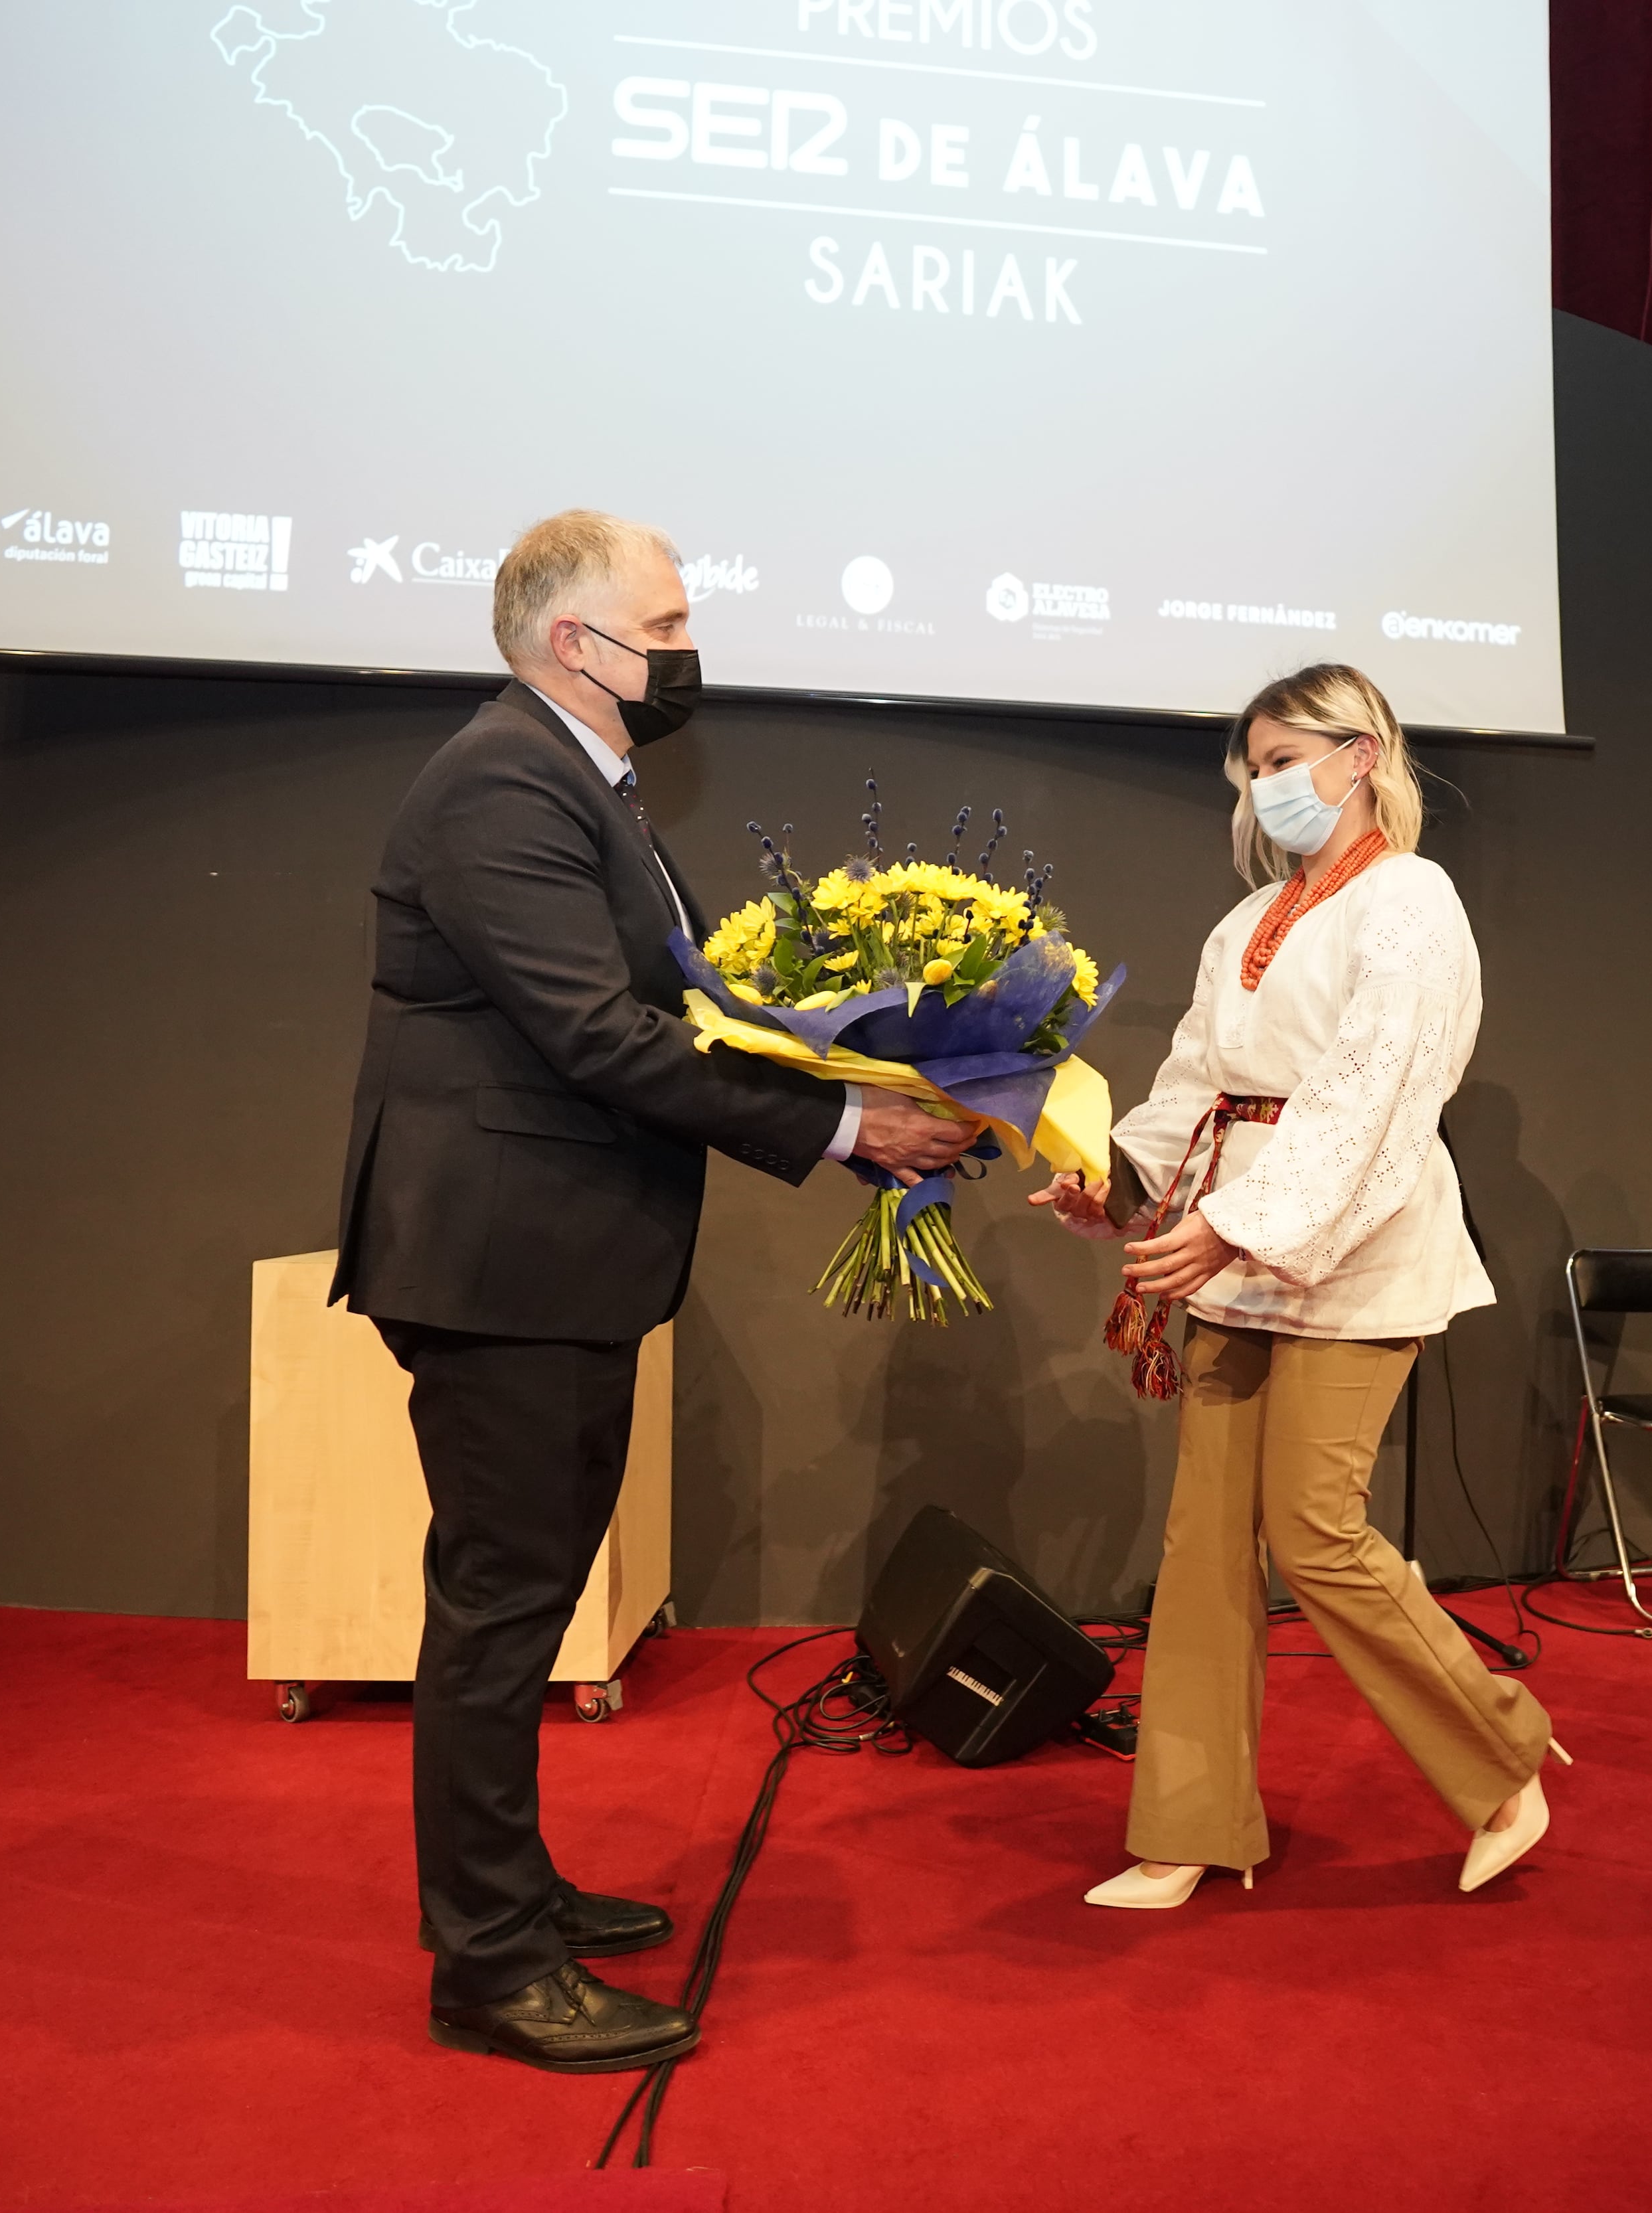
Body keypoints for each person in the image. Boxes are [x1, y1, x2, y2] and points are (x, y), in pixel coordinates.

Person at [331, 509, 976, 2069]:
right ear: (577, 642)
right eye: (669, 621)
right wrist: (842, 1125)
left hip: (553, 1256)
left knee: (526, 1595)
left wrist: (835, 1040)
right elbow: (595, 1038)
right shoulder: (505, 777)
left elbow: (671, 1001)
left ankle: (514, 1895)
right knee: (499, 1610)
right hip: (504, 1262)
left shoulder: (580, 777)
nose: (688, 648)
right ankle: (488, 1965)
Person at [1032, 663, 1564, 1907]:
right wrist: (1112, 1183)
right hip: (1237, 1247)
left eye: (1283, 760)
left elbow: (1375, 1093)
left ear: (1361, 752)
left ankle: (1503, 1754)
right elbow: (1193, 1087)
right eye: (1253, 769)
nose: (1265, 786)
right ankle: (1189, 1824)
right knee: (1207, 1542)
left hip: (1357, 1250)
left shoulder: (1413, 901)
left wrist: (1238, 1227)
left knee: (1315, 1532)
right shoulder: (1247, 922)